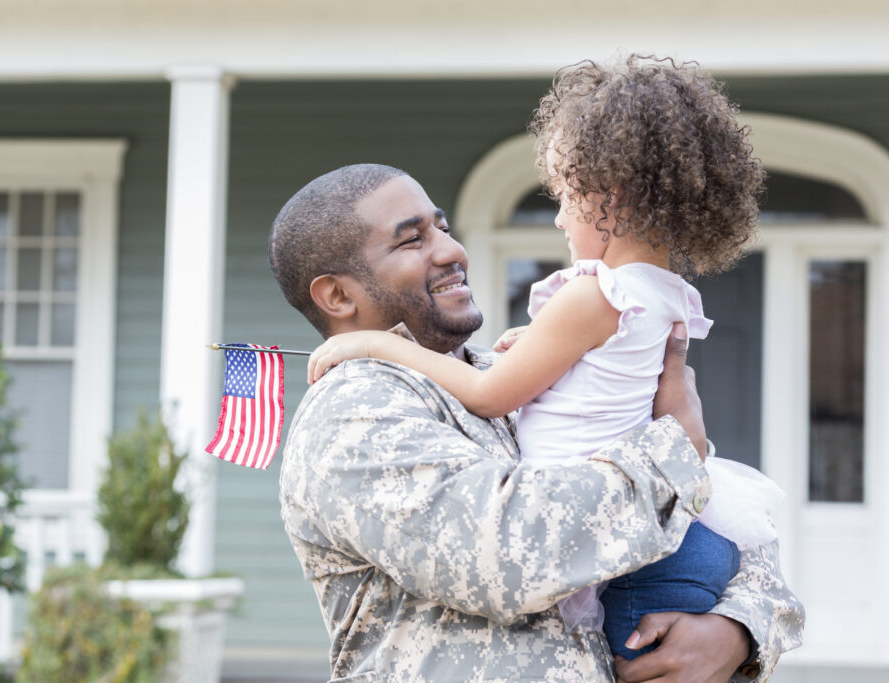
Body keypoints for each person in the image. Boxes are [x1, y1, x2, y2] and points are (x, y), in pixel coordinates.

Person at [305, 56, 786, 664]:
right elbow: (509, 556)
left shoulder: (573, 317)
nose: (454, 250)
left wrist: (737, 633)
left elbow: (751, 568)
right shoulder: (357, 410)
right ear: (338, 296)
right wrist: (678, 450)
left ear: (607, 202)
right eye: (413, 238)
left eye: (445, 228)